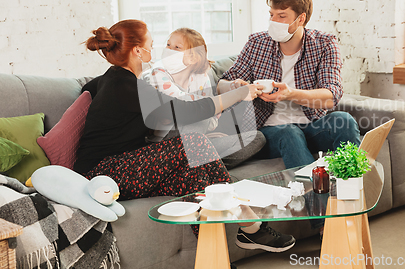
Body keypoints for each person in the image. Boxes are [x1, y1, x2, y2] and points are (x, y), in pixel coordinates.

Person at [74, 19, 295, 252]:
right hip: (102, 174)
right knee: (194, 142)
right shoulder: (127, 86)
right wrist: (240, 93)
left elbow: (87, 88)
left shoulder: (116, 79)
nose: (156, 49)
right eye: (151, 43)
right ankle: (252, 226)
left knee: (196, 177)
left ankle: (215, 260)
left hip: (128, 169)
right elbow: (187, 111)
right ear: (138, 50)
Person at [218, 0, 361, 169]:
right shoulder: (256, 43)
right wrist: (235, 88)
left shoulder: (325, 44)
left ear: (300, 19)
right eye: (271, 15)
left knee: (344, 121)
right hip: (268, 132)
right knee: (289, 132)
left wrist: (290, 94)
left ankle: (352, 187)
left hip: (311, 127)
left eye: (281, 16)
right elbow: (222, 84)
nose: (273, 21)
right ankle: (314, 195)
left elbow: (331, 97)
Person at [141, 27, 266, 169]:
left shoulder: (201, 77)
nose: (169, 49)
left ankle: (198, 163)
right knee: (195, 114)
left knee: (256, 138)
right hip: (166, 143)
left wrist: (206, 123)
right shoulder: (157, 73)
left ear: (193, 57)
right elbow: (187, 108)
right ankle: (199, 162)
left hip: (195, 141)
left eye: (177, 47)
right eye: (168, 45)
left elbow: (212, 119)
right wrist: (207, 111)